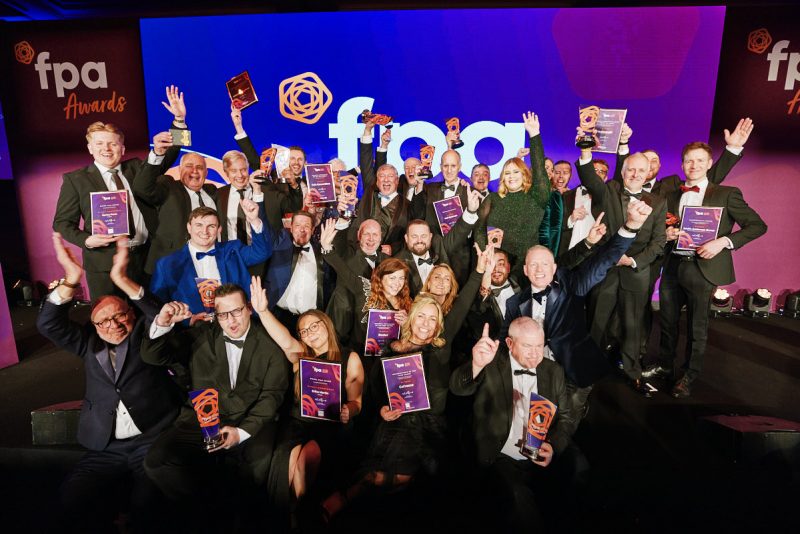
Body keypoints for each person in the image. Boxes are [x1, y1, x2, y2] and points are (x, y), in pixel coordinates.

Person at [320, 245, 491, 520]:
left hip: (427, 426)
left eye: (432, 319)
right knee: (380, 474)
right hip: (393, 421)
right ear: (411, 317)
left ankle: (348, 497)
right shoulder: (392, 348)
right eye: (421, 316)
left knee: (395, 479)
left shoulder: (441, 347)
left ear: (439, 325)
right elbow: (378, 389)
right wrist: (382, 409)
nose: (426, 323)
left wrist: (479, 272)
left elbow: (460, 311)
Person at [37, 235, 181, 532]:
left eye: (119, 316)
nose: (113, 325)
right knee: (71, 498)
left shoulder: (144, 334)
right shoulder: (88, 344)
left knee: (147, 505)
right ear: (94, 326)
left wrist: (121, 278)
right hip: (105, 447)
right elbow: (48, 324)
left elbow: (159, 315)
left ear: (131, 314)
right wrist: (71, 279)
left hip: (150, 440)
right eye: (103, 321)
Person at [141, 283, 289, 527]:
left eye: (236, 311)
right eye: (223, 314)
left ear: (248, 308)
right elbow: (153, 356)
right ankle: (208, 515)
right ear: (215, 315)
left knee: (254, 475)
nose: (231, 321)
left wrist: (241, 432)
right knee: (157, 461)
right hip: (202, 418)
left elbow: (272, 396)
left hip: (250, 419)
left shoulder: (270, 342)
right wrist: (163, 323)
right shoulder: (201, 335)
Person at [504, 200, 653, 425]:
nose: (539, 270)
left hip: (575, 372)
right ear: (525, 270)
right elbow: (506, 340)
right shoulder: (515, 303)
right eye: (533, 265)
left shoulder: (571, 285)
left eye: (545, 264)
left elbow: (603, 260)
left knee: (567, 424)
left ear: (555, 268)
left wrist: (631, 226)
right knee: (539, 425)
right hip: (538, 373)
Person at [654, 141, 767, 398]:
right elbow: (661, 226)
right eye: (689, 161)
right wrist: (665, 233)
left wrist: (723, 242)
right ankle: (665, 366)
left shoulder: (726, 193)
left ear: (709, 164)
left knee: (697, 326)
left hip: (703, 268)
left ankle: (689, 375)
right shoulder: (672, 194)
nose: (693, 165)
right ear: (682, 164)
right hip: (672, 266)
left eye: (699, 160)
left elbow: (757, 225)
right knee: (667, 322)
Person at [249, 276, 364, 521]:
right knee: (289, 461)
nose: (310, 333)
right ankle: (292, 515)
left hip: (330, 424)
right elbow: (283, 338)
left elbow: (357, 402)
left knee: (305, 459)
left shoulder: (349, 357)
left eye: (314, 326)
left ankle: (300, 515)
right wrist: (263, 311)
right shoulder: (300, 355)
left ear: (326, 324)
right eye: (304, 331)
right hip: (297, 422)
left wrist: (348, 410)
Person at [52, 86, 185, 298]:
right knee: (110, 314)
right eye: (99, 143)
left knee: (149, 313)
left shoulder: (137, 169)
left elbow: (169, 154)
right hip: (103, 264)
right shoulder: (76, 180)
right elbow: (61, 223)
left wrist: (179, 120)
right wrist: (87, 240)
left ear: (122, 149)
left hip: (145, 259)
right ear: (90, 148)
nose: (106, 149)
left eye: (112, 144)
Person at [450, 317, 575, 532]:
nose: (535, 354)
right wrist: (477, 365)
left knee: (577, 477)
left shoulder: (553, 371)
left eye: (539, 346)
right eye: (527, 346)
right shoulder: (490, 363)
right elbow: (458, 388)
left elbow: (566, 418)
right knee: (519, 501)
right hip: (500, 454)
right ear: (509, 343)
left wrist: (553, 445)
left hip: (538, 454)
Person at [577, 148, 667, 396]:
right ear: (623, 172)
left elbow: (659, 241)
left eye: (641, 170)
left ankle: (632, 372)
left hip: (636, 272)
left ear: (648, 173)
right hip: (606, 269)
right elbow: (589, 177)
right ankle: (587, 368)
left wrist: (634, 261)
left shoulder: (658, 202)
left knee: (633, 326)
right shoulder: (608, 191)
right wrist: (585, 151)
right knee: (596, 322)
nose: (636, 174)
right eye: (631, 170)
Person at [149, 204, 272, 320]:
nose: (205, 231)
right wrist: (187, 321)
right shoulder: (167, 265)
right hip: (193, 330)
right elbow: (156, 306)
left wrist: (254, 220)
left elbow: (262, 252)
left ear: (219, 229)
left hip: (236, 321)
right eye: (199, 225)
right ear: (189, 227)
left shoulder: (233, 250)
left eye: (211, 226)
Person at [320, 219, 412, 355]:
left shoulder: (406, 299)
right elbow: (339, 265)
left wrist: (406, 324)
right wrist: (327, 246)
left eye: (400, 278)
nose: (396, 283)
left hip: (387, 353)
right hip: (349, 329)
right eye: (366, 234)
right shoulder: (360, 281)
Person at [476, 111, 550, 279]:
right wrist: (486, 256)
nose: (511, 176)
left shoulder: (536, 197)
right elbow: (479, 229)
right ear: (503, 178)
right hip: (495, 269)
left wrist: (534, 135)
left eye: (516, 172)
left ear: (524, 174)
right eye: (507, 173)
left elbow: (540, 171)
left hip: (525, 271)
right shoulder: (493, 199)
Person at [134, 149, 220, 275]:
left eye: (200, 167)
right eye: (189, 166)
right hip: (170, 266)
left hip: (206, 266)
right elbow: (142, 187)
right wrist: (157, 155)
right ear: (179, 170)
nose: (194, 171)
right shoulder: (168, 187)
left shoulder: (212, 191)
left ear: (206, 172)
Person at [263, 209, 331, 333]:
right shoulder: (280, 244)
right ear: (291, 227)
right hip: (280, 316)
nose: (302, 229)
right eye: (298, 225)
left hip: (311, 321)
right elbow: (264, 228)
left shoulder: (321, 251)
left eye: (307, 226)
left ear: (313, 230)